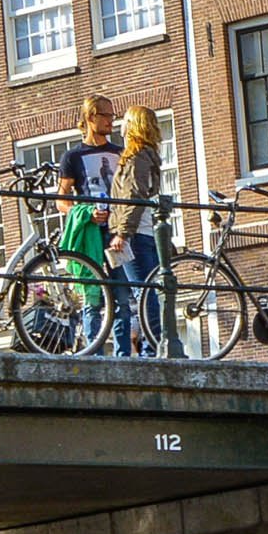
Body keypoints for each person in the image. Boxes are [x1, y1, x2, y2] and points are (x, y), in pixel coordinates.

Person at [58, 95, 129, 355]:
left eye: (113, 115)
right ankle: (94, 355)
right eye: (106, 115)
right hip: (91, 233)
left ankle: (124, 357)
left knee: (122, 297)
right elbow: (61, 201)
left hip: (117, 231)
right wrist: (86, 213)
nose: (112, 120)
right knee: (92, 298)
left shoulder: (120, 152)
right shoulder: (72, 157)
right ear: (91, 118)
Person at [108, 105, 165, 356]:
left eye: (124, 121)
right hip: (144, 232)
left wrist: (123, 233)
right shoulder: (147, 154)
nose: (120, 126)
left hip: (136, 235)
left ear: (133, 126)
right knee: (143, 292)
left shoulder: (137, 156)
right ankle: (152, 344)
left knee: (143, 292)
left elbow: (134, 196)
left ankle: (153, 346)